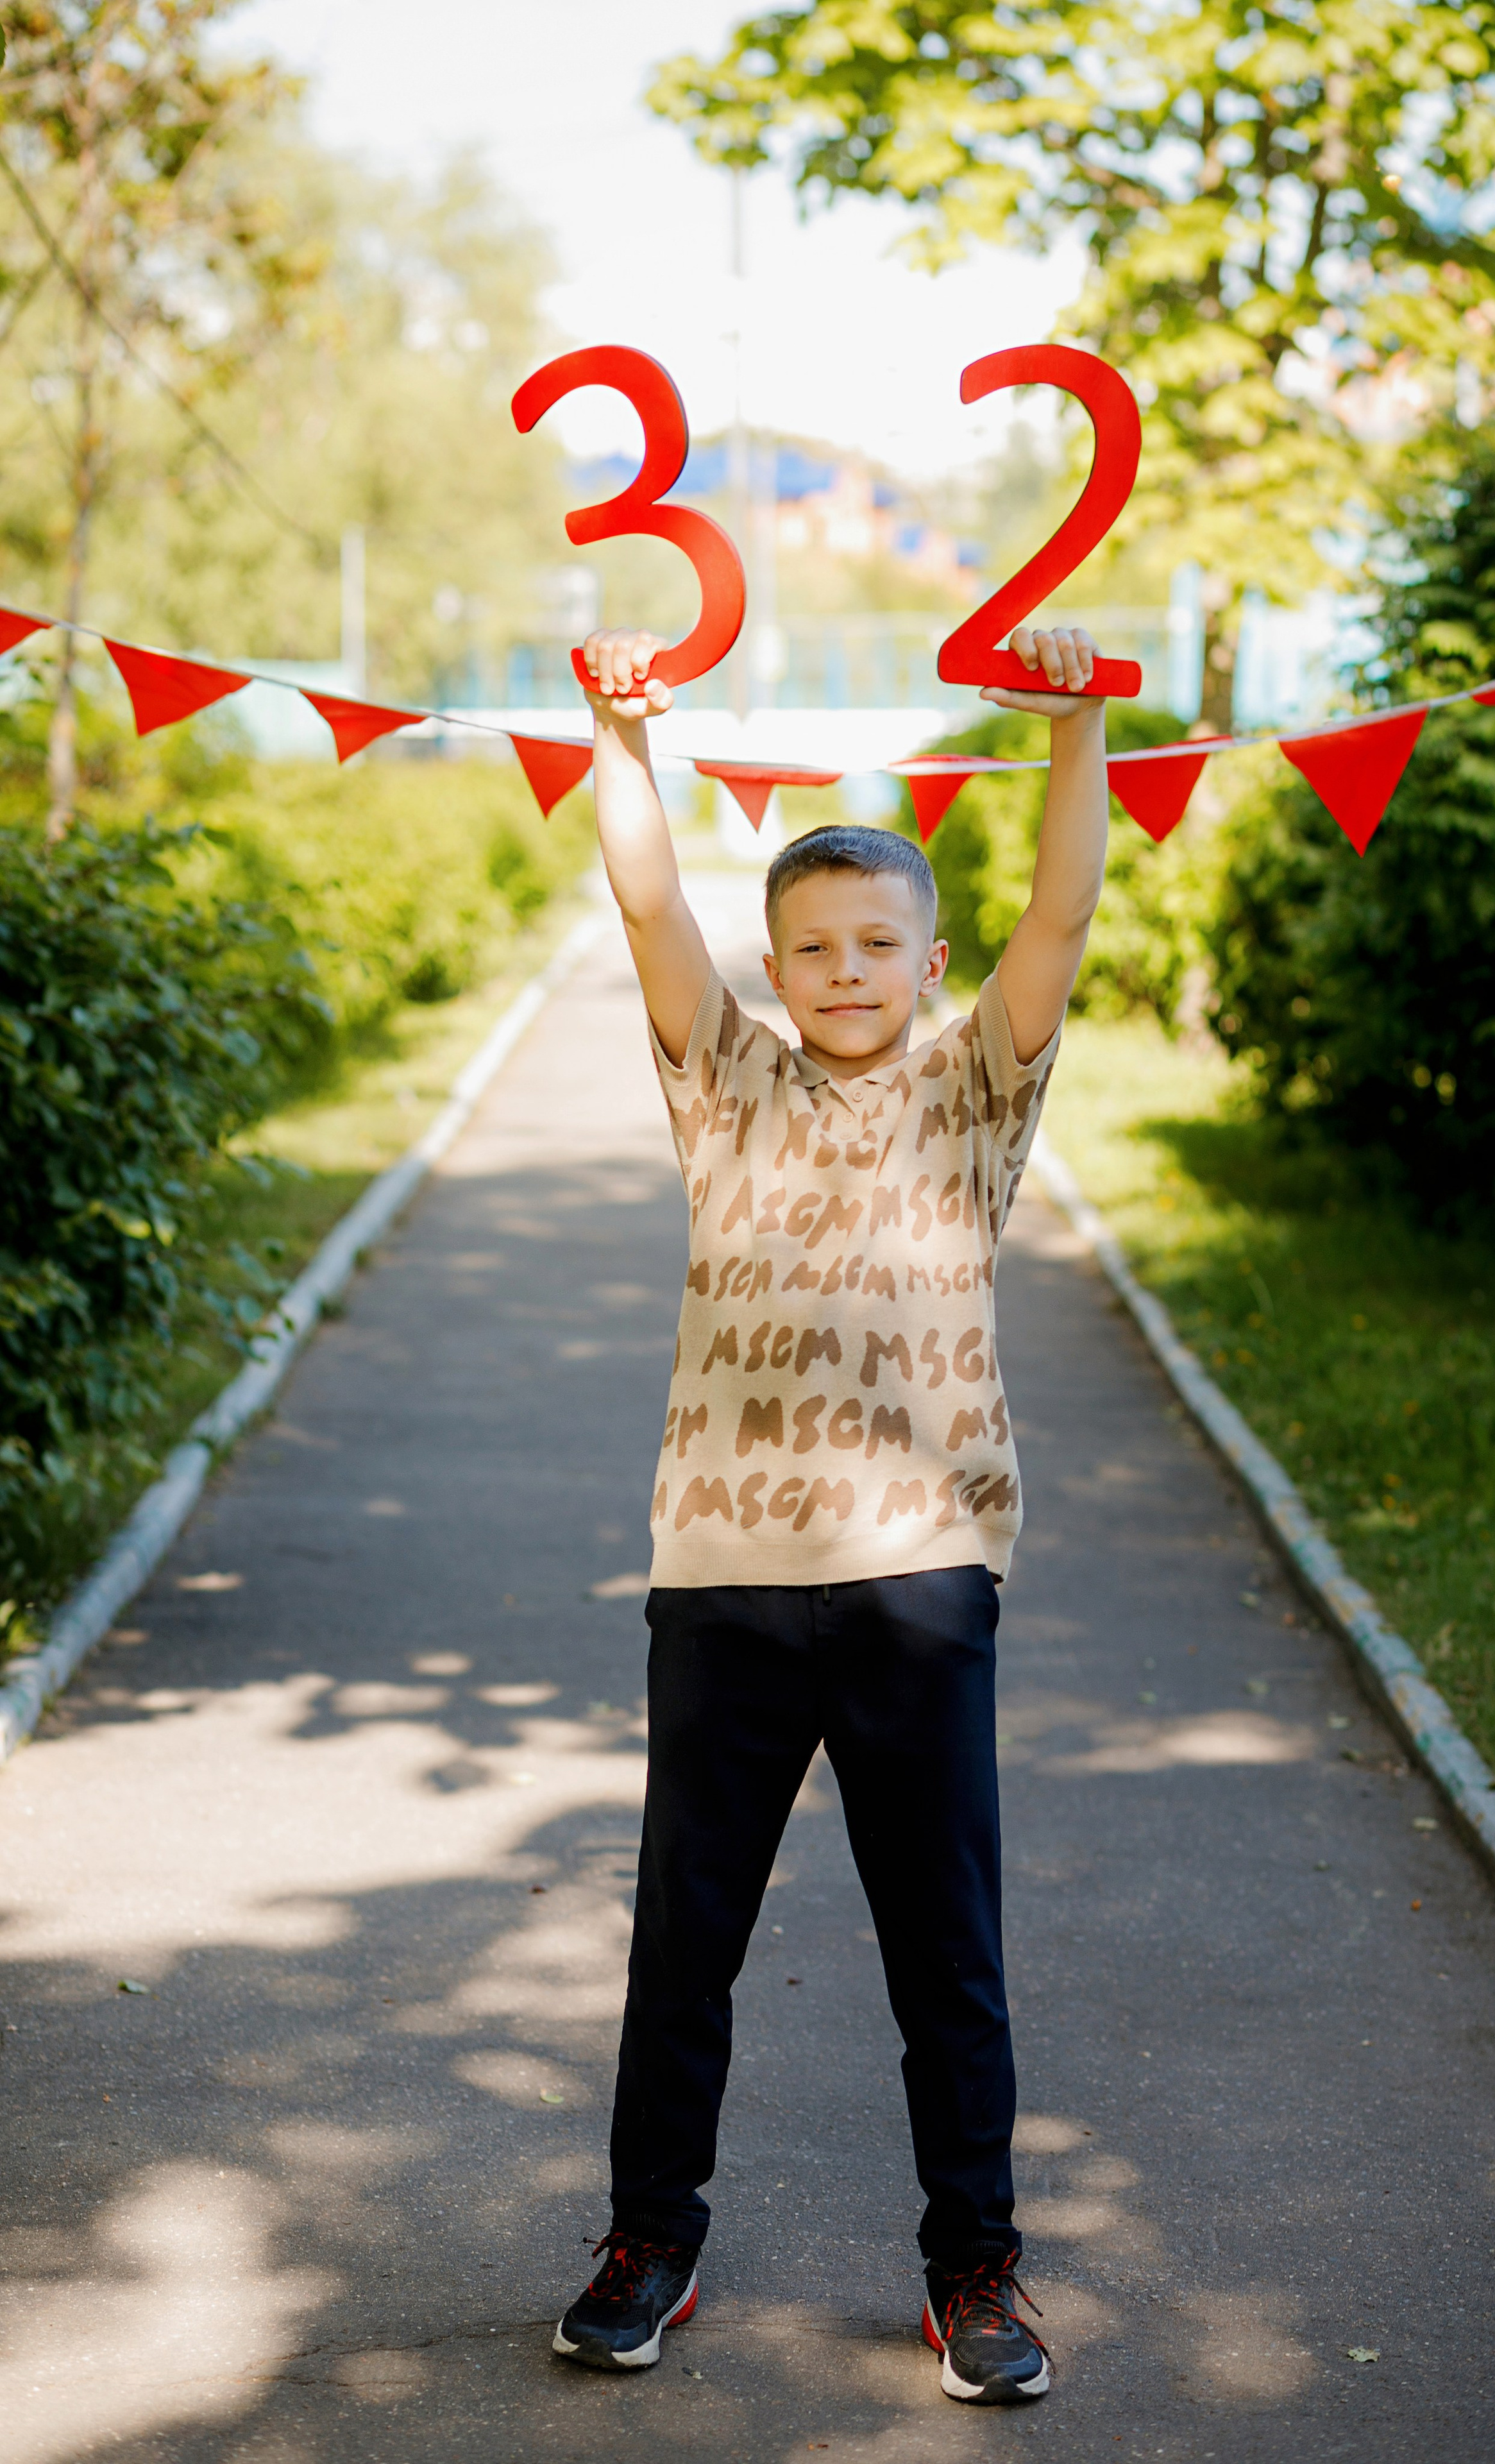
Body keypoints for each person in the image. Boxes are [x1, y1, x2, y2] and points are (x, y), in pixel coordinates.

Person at [551, 620, 1110, 2406]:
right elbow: (647, 909)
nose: (846, 970)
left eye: (880, 944)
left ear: (930, 961)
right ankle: (652, 2237)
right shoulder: (729, 1084)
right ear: (776, 964)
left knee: (946, 1944)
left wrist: (1081, 724)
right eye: (813, 946)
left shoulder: (971, 1092)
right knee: (684, 1937)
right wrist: (621, 741)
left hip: (923, 1578)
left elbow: (1065, 921)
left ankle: (978, 2267)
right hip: (724, 1575)